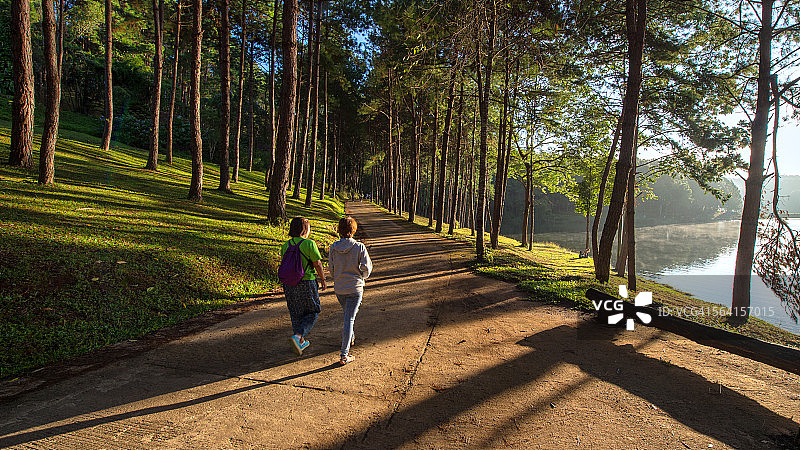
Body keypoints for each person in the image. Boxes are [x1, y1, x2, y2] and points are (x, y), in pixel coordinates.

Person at [329, 216, 372, 365]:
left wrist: (338, 278)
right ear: (353, 230)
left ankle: (351, 338)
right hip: (355, 288)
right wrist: (362, 276)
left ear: (339, 230)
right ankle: (344, 355)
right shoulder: (359, 247)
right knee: (349, 319)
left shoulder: (333, 247)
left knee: (348, 316)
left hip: (340, 288)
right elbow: (367, 268)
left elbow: (332, 269)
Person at [280, 217, 327, 356]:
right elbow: (317, 263)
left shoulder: (285, 245)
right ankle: (298, 336)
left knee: (296, 312)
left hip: (289, 284)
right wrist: (323, 279)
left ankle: (299, 342)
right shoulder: (308, 244)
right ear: (305, 229)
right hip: (306, 282)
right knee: (313, 310)